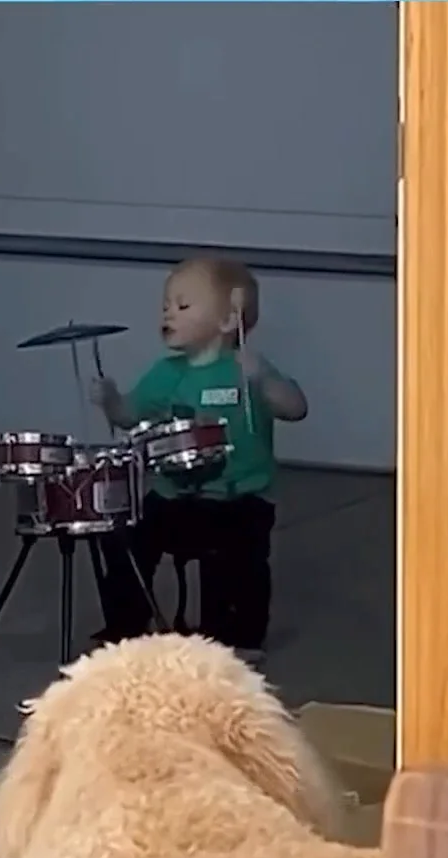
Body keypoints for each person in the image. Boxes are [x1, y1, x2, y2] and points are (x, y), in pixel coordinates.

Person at [88, 258, 309, 665]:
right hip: (177, 494)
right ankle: (127, 624)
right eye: (166, 305)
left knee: (238, 557)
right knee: (123, 532)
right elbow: (129, 417)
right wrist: (111, 400)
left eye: (183, 305)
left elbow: (295, 408)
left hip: (238, 496)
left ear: (228, 320)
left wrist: (265, 379)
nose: (168, 312)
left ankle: (239, 634)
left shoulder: (245, 368)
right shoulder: (165, 373)